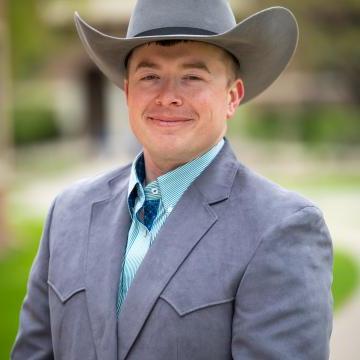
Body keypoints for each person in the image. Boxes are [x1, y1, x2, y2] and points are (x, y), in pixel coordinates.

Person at [12, 0, 333, 359]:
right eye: (150, 77)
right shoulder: (67, 214)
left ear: (232, 96)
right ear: (128, 92)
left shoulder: (282, 229)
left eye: (192, 77)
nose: (168, 97)